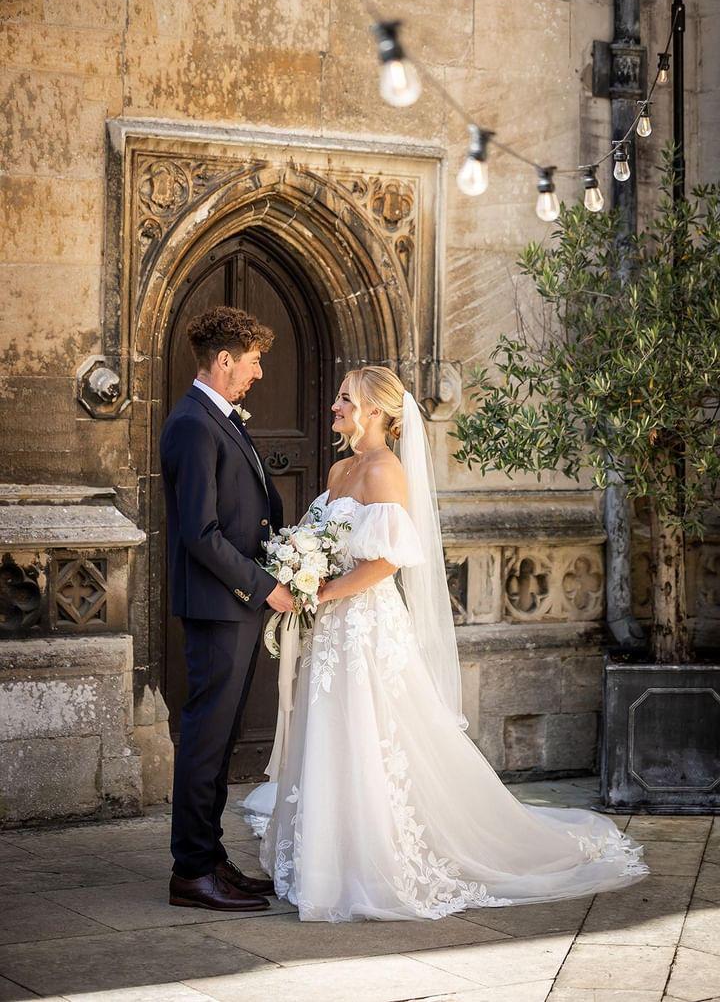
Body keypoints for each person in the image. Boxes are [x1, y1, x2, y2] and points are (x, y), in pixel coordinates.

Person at [247, 365, 650, 921]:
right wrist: (303, 572)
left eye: (344, 399)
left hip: (365, 624)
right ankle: (328, 854)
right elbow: (330, 542)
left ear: (377, 412)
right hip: (334, 627)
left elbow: (388, 559)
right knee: (335, 729)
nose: (335, 407)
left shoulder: (385, 471)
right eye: (338, 397)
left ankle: (376, 861)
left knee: (375, 733)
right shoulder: (341, 469)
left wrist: (323, 591)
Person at [160, 305, 294, 911]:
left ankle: (210, 856)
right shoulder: (192, 424)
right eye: (254, 361)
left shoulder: (221, 420)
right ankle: (190, 871)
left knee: (221, 738)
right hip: (221, 606)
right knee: (204, 741)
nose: (259, 373)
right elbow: (200, 532)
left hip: (235, 606)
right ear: (224, 361)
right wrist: (263, 585)